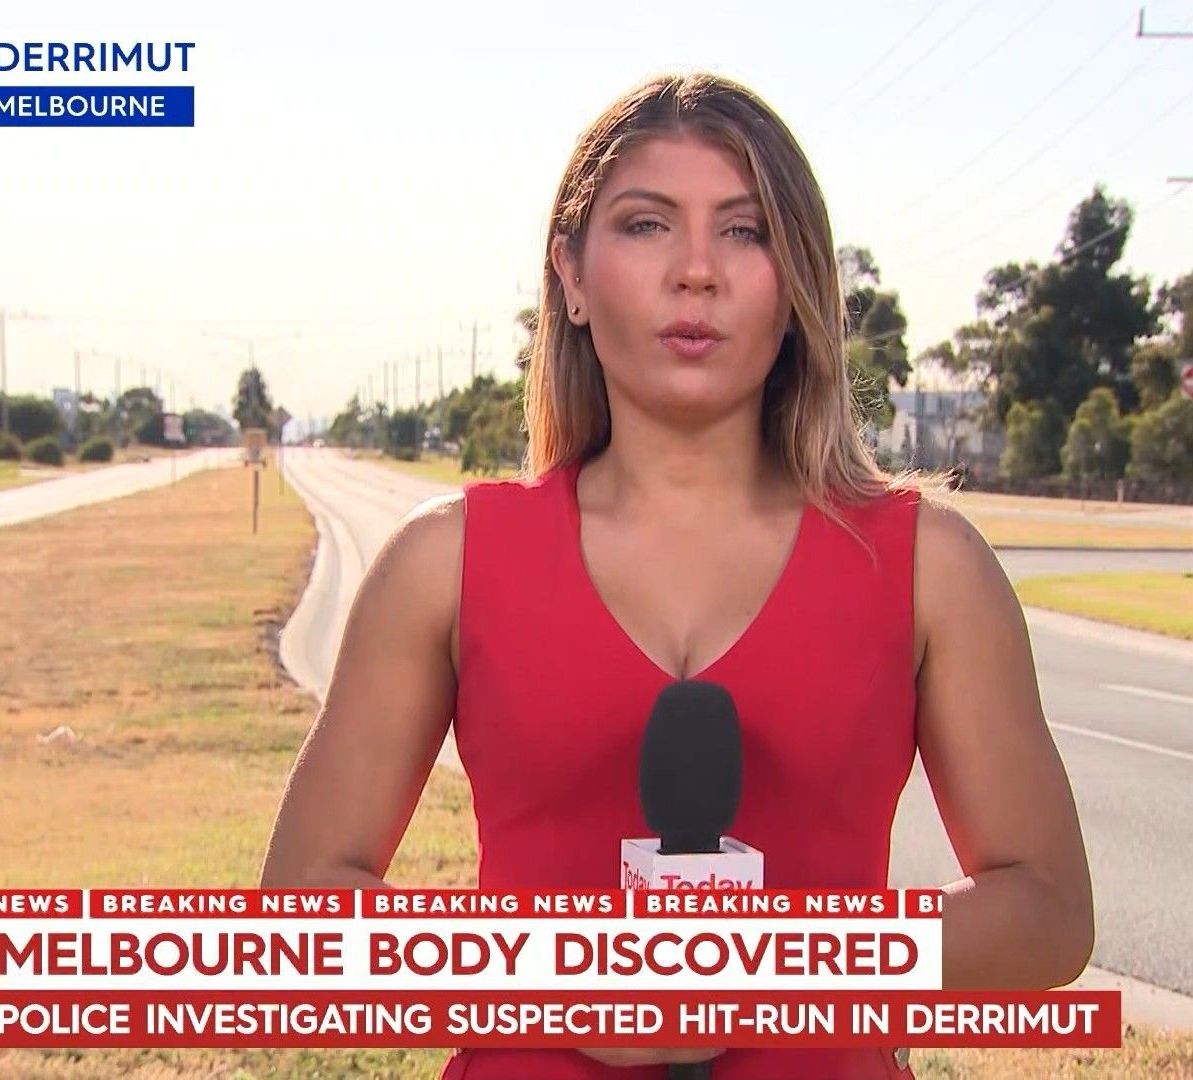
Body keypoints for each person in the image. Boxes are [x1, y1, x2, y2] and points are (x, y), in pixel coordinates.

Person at [260, 72, 1093, 1079]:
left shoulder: (928, 566)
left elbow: (1048, 911)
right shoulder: (445, 562)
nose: (697, 271)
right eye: (648, 225)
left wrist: (772, 970)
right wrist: (563, 976)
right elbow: (301, 906)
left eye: (744, 232)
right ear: (571, 276)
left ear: (798, 285)